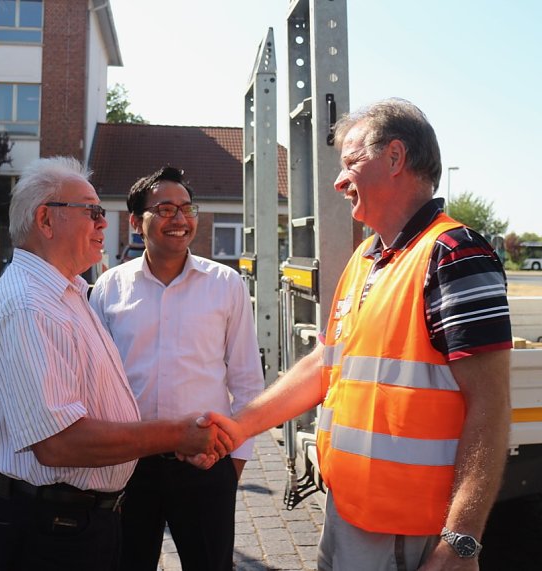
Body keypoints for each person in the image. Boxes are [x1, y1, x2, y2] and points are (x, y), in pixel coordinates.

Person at [207, 98, 513, 570]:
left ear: (395, 158)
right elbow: (326, 365)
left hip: (407, 531)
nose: (338, 181)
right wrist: (237, 426)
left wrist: (461, 540)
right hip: (350, 514)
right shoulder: (367, 258)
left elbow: (490, 406)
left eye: (351, 163)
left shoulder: (454, 253)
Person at [0, 156, 232, 571]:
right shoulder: (28, 308)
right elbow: (58, 444)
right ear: (46, 220)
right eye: (91, 212)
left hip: (80, 519)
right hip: (54, 528)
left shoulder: (68, 290)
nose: (102, 223)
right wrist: (176, 434)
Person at [89, 166, 264, 571]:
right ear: (136, 221)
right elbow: (95, 383)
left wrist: (232, 465)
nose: (180, 220)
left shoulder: (226, 284)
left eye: (187, 209)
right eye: (165, 209)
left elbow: (247, 381)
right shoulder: (109, 288)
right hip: (128, 466)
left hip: (204, 465)